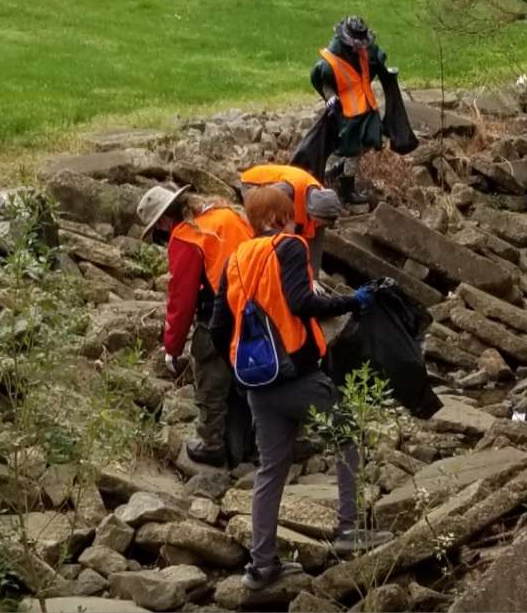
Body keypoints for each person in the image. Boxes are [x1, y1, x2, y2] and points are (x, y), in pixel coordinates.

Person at [208, 186, 377, 591]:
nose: (294, 220)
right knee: (349, 434)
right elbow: (302, 302)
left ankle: (262, 566)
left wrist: (242, 366)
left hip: (256, 383)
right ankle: (351, 529)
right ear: (279, 217)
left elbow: (217, 327)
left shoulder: (236, 259)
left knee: (271, 469)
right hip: (297, 376)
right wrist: (352, 301)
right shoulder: (290, 246)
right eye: (290, 214)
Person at [137, 184, 254, 467]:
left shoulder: (187, 237)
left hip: (225, 308)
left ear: (164, 221)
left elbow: (182, 299)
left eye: (158, 233)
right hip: (259, 302)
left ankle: (210, 441)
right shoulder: (224, 214)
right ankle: (264, 439)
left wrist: (172, 347)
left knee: (209, 370)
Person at [310, 16, 399, 204]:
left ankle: (339, 173)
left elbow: (376, 61)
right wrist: (330, 97)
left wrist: (386, 72)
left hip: (365, 104)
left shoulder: (366, 50)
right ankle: (343, 188)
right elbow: (325, 80)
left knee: (369, 140)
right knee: (351, 149)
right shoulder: (333, 57)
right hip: (347, 111)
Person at [238, 163, 342, 275]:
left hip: (273, 193)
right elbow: (262, 198)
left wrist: (314, 277)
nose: (319, 224)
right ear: (311, 212)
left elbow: (316, 243)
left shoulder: (323, 203)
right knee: (278, 223)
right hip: (253, 185)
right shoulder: (289, 189)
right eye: (319, 221)